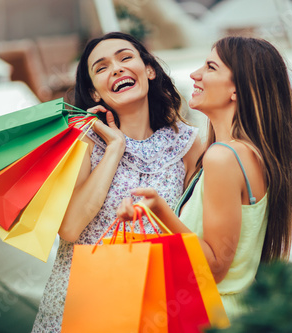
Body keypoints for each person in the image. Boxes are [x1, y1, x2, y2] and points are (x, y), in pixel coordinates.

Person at [117, 36, 292, 319]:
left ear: (237, 89)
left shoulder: (222, 157)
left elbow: (214, 267)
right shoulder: (252, 155)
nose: (195, 74)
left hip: (207, 316)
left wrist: (159, 210)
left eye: (211, 67)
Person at [31, 32, 202, 332]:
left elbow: (193, 228)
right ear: (95, 93)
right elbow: (69, 228)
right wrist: (114, 147)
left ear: (148, 70)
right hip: (85, 302)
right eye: (101, 67)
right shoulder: (83, 140)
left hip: (156, 302)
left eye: (125, 58)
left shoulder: (188, 144)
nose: (117, 69)